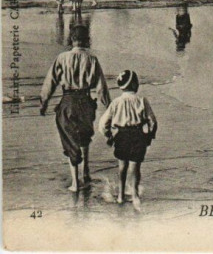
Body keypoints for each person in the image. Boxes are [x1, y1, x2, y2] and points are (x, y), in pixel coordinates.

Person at [39, 25, 111, 192]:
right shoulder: (92, 59)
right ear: (87, 39)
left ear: (71, 39)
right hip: (86, 101)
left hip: (68, 101)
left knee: (70, 140)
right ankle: (85, 172)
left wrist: (44, 103)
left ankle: (75, 183)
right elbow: (101, 88)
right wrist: (109, 107)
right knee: (85, 135)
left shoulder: (61, 58)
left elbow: (50, 83)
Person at [98, 70, 157, 207]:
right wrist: (149, 136)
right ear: (135, 84)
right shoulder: (141, 100)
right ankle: (135, 195)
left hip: (121, 135)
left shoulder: (116, 102)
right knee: (135, 167)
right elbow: (152, 121)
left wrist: (109, 136)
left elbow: (102, 124)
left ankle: (120, 196)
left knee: (122, 166)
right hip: (137, 135)